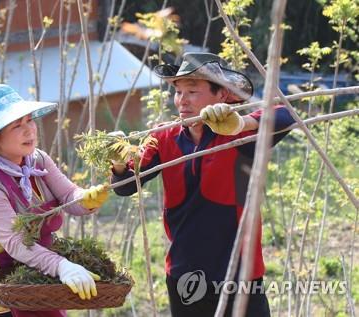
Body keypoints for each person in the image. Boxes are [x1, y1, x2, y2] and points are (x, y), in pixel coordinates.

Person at [110, 52, 295, 316]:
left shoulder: (239, 135)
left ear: (221, 95)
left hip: (239, 272)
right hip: (186, 272)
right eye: (178, 91)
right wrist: (118, 164)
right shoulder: (163, 136)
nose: (182, 100)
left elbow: (286, 115)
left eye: (193, 91)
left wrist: (241, 123)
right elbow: (125, 185)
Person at [0, 84, 109, 317]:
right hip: (0, 288)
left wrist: (87, 198)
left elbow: (67, 195)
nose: (29, 130)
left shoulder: (37, 160)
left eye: (29, 120)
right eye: (17, 125)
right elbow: (17, 243)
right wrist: (62, 266)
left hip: (39, 276)